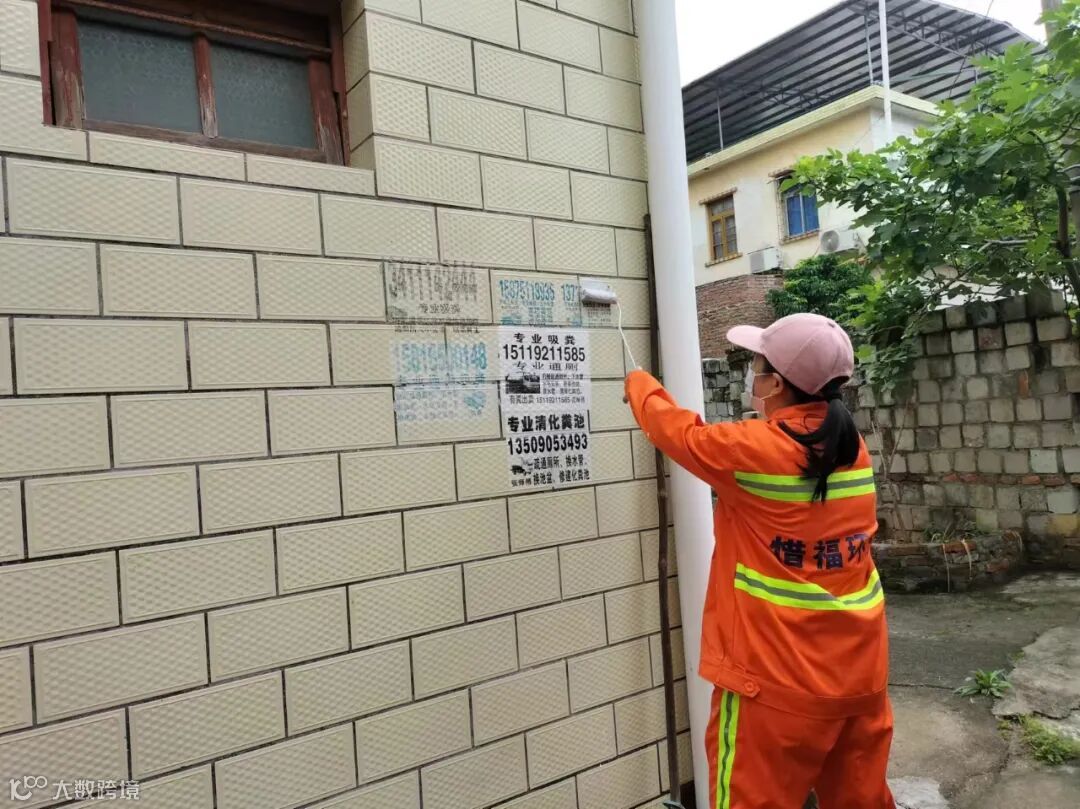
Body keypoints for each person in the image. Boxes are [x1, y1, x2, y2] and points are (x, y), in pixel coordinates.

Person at [624, 313, 893, 809]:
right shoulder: (850, 447)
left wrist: (640, 385)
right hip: (859, 679)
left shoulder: (754, 450)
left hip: (772, 688)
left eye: (758, 365)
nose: (753, 374)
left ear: (777, 383)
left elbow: (679, 434)